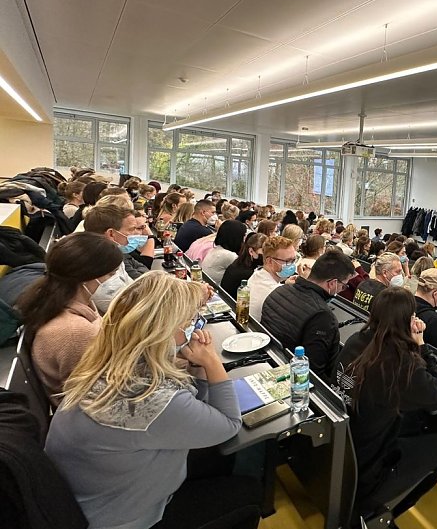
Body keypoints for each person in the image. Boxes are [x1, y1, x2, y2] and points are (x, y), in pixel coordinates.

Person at [45, 272, 259, 529]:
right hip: (128, 518)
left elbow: (195, 411)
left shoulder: (106, 364)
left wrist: (198, 368)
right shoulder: (152, 399)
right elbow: (229, 424)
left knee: (218, 459)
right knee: (248, 491)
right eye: (190, 321)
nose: (195, 327)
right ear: (164, 331)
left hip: (90, 499)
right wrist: (212, 362)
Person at [332, 287, 437, 522]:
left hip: (346, 444)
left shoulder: (356, 340)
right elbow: (436, 390)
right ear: (406, 321)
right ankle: (379, 514)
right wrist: (420, 345)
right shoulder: (397, 364)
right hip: (368, 465)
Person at [17, 233, 124, 405]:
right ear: (87, 276)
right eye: (110, 274)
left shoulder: (74, 305)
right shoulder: (74, 332)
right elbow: (96, 396)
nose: (113, 280)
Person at [261, 251, 355, 378]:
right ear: (332, 283)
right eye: (343, 286)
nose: (341, 290)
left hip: (268, 363)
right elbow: (315, 373)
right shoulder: (322, 316)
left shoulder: (280, 290)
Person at [83, 205, 153, 313]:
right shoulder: (100, 274)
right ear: (111, 233)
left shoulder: (112, 255)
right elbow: (132, 311)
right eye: (132, 229)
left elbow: (132, 285)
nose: (137, 234)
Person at [249, 236, 298, 321]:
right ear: (270, 261)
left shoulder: (257, 274)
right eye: (288, 261)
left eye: (294, 260)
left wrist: (285, 285)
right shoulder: (276, 294)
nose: (292, 265)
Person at [203, 220, 248, 284]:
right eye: (243, 236)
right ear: (237, 237)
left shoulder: (216, 250)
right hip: (217, 291)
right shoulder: (229, 256)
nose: (243, 240)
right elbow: (244, 273)